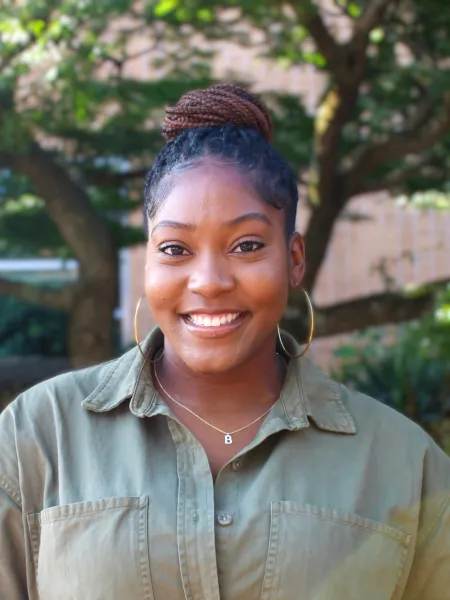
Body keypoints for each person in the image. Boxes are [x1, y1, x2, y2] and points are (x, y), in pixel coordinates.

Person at [0, 83, 449, 600]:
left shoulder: (403, 462)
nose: (209, 281)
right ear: (149, 260)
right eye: (175, 248)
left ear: (295, 259)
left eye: (247, 245)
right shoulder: (37, 436)